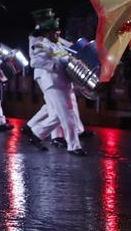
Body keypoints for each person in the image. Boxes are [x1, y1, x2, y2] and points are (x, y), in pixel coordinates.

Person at [22, 9, 86, 156]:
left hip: (63, 82)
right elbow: (35, 61)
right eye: (55, 31)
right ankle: (74, 146)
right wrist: (56, 65)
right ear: (47, 32)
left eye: (58, 31)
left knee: (58, 114)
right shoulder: (40, 43)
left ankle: (37, 133)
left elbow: (67, 48)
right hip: (52, 82)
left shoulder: (56, 44)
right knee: (67, 114)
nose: (58, 34)